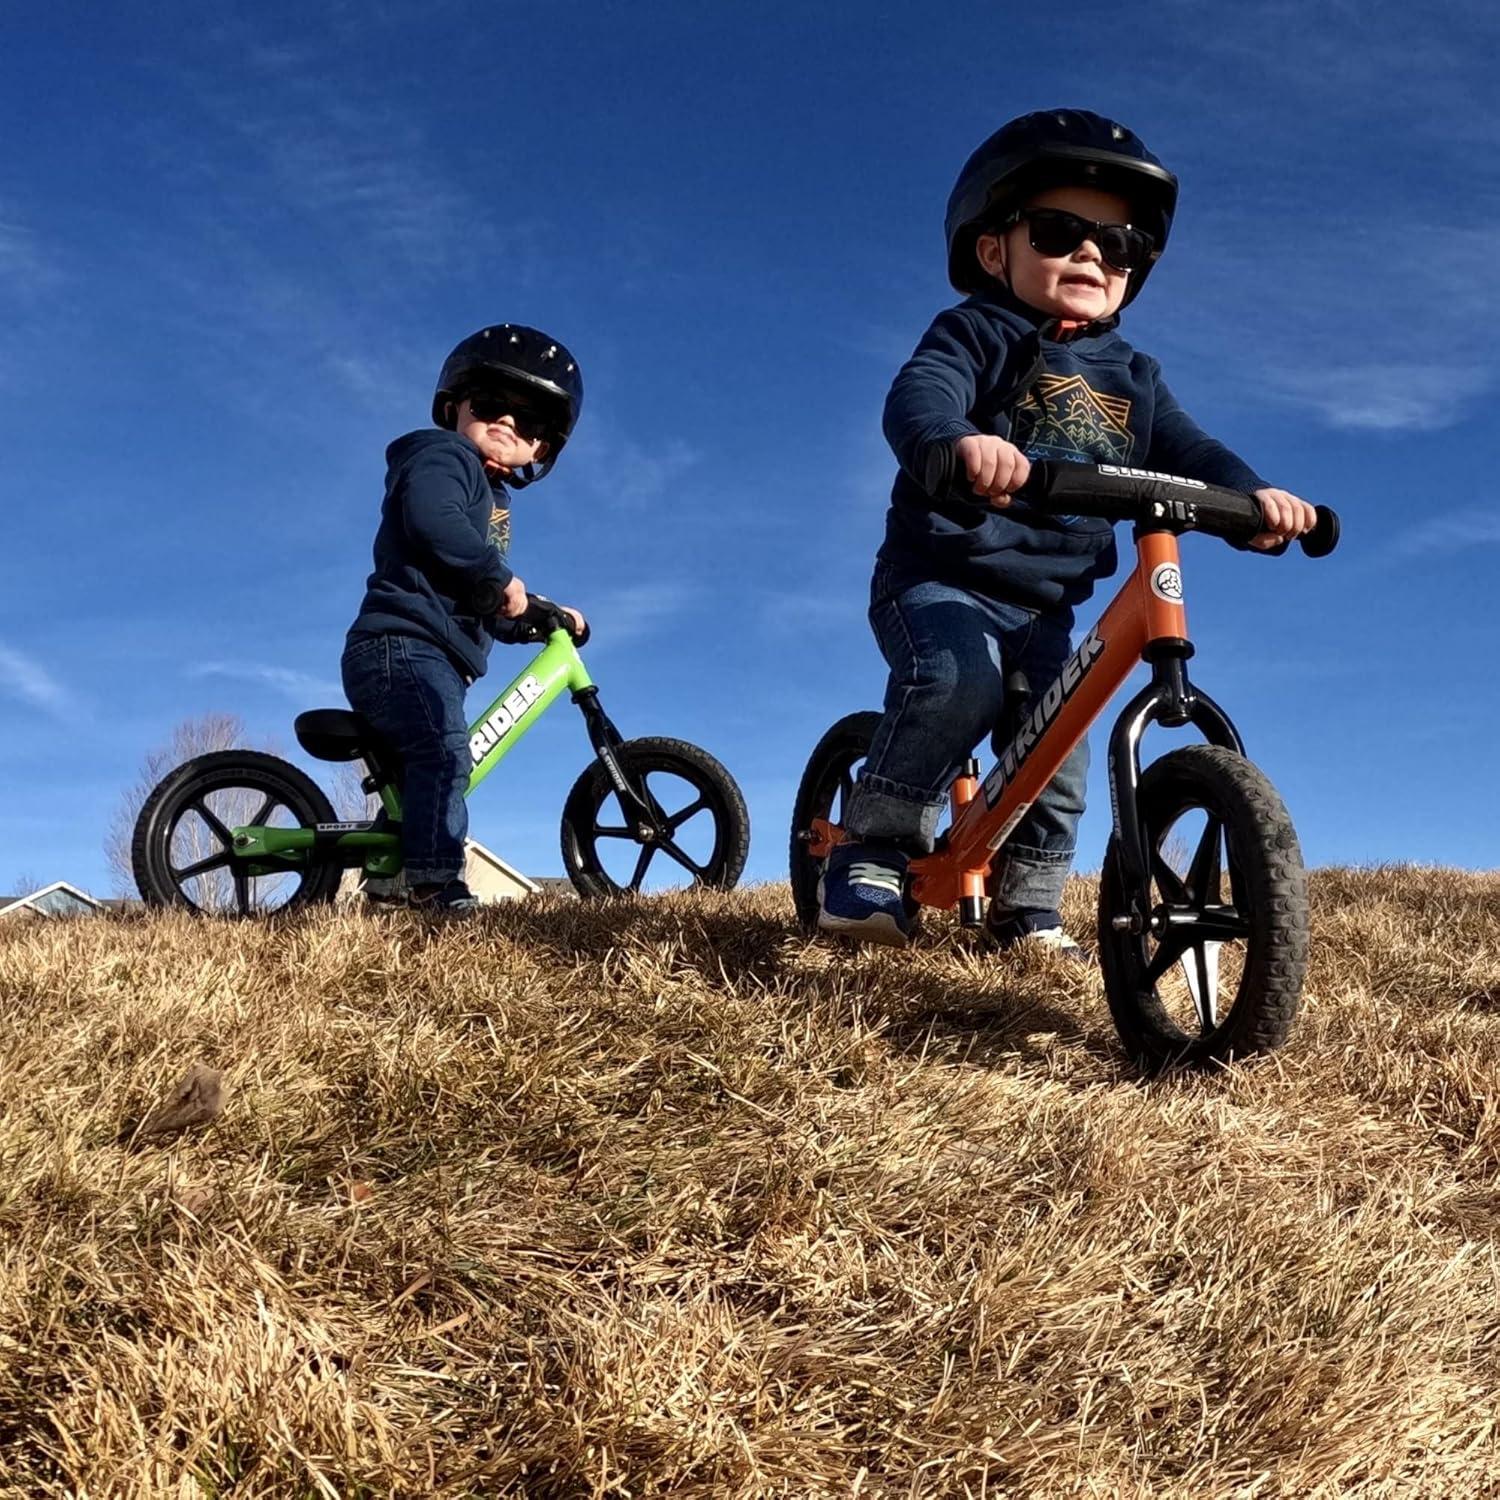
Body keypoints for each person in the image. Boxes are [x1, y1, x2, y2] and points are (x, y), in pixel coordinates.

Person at [818, 109, 1316, 951]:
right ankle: (877, 841)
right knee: (957, 681)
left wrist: (1253, 497)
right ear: (992, 250)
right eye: (1059, 231)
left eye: (1117, 244)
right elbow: (922, 395)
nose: (1092, 253)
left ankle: (1030, 906)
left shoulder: (1136, 375)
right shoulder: (976, 332)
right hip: (944, 577)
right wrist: (957, 440)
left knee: (1062, 743)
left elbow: (1190, 448)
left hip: (1047, 604)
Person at [341, 324, 586, 912]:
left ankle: (388, 880)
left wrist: (538, 616)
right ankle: (435, 885)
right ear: (454, 407)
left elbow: (481, 594)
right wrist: (496, 575)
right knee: (446, 753)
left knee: (424, 770)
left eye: (528, 423)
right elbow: (432, 520)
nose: (507, 422)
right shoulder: (440, 456)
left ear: (540, 451)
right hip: (401, 645)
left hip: (434, 658)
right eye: (492, 405)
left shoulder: (492, 506)